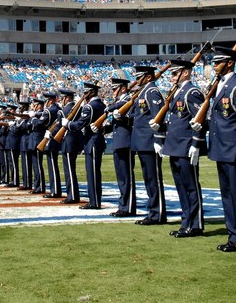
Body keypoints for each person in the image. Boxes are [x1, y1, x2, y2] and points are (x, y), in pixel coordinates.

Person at [194, 46, 236, 252]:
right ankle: (234, 235)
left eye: (218, 63)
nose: (214, 66)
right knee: (227, 195)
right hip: (221, 148)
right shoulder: (220, 87)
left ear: (229, 63)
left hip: (234, 150)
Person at [158, 58, 206, 238]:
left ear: (185, 72)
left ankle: (195, 224)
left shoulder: (192, 92)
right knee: (181, 187)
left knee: (191, 187)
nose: (172, 77)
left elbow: (199, 121)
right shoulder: (178, 92)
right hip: (175, 147)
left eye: (175, 73)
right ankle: (186, 222)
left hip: (186, 147)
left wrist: (196, 144)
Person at [129, 65, 167, 225]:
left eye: (139, 77)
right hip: (142, 142)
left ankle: (157, 213)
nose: (137, 80)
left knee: (154, 179)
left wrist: (158, 139)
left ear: (149, 77)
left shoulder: (152, 92)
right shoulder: (143, 92)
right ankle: (153, 211)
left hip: (150, 142)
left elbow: (159, 116)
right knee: (148, 178)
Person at [66, 81, 106, 209]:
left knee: (92, 173)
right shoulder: (101, 104)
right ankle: (94, 200)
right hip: (96, 140)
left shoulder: (90, 107)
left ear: (92, 92)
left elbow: (79, 125)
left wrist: (66, 124)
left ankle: (94, 202)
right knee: (93, 172)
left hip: (92, 141)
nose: (84, 95)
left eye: (86, 92)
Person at [105, 78, 137, 217]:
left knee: (126, 176)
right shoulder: (119, 102)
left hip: (126, 142)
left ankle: (128, 206)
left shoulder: (128, 100)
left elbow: (132, 119)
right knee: (121, 177)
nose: (112, 92)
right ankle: (123, 205)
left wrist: (118, 115)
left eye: (114, 89)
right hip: (119, 141)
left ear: (122, 88)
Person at [57, 88, 81, 204]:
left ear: (66, 98)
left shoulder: (64, 111)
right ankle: (72, 194)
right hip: (74, 141)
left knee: (69, 170)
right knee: (70, 169)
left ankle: (72, 195)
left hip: (68, 141)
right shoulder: (78, 108)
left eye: (63, 98)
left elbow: (58, 126)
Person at [41, 92, 63, 198]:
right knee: (52, 164)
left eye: (49, 100)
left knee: (52, 166)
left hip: (51, 138)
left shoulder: (51, 110)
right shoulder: (57, 109)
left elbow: (43, 122)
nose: (48, 102)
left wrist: (35, 118)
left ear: (52, 100)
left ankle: (55, 191)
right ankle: (54, 189)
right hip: (53, 138)